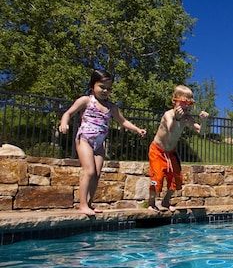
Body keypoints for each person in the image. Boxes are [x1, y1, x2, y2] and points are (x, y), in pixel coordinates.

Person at [59, 69, 146, 216]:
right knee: (90, 171)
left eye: (109, 88)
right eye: (102, 87)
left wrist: (137, 129)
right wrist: (64, 123)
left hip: (99, 144)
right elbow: (68, 113)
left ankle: (89, 203)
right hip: (84, 139)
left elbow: (123, 121)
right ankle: (82, 205)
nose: (105, 90)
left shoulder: (111, 107)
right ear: (93, 85)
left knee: (97, 174)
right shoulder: (86, 101)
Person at [148, 85, 209, 212]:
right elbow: (170, 130)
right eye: (183, 102)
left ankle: (165, 201)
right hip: (157, 150)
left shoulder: (187, 118)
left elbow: (201, 131)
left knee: (177, 178)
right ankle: (151, 203)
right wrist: (176, 119)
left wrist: (204, 121)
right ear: (174, 101)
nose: (187, 106)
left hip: (171, 152)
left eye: (190, 103)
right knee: (157, 178)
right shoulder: (168, 115)